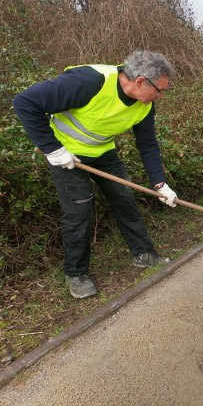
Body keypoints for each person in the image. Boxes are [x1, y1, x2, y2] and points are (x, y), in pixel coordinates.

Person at [13, 50, 179, 298]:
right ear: (141, 81)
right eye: (159, 90)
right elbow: (25, 102)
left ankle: (143, 254)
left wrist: (159, 183)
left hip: (103, 153)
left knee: (124, 198)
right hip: (67, 156)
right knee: (79, 210)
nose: (161, 96)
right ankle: (76, 273)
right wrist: (53, 149)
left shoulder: (145, 105)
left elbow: (147, 144)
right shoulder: (90, 81)